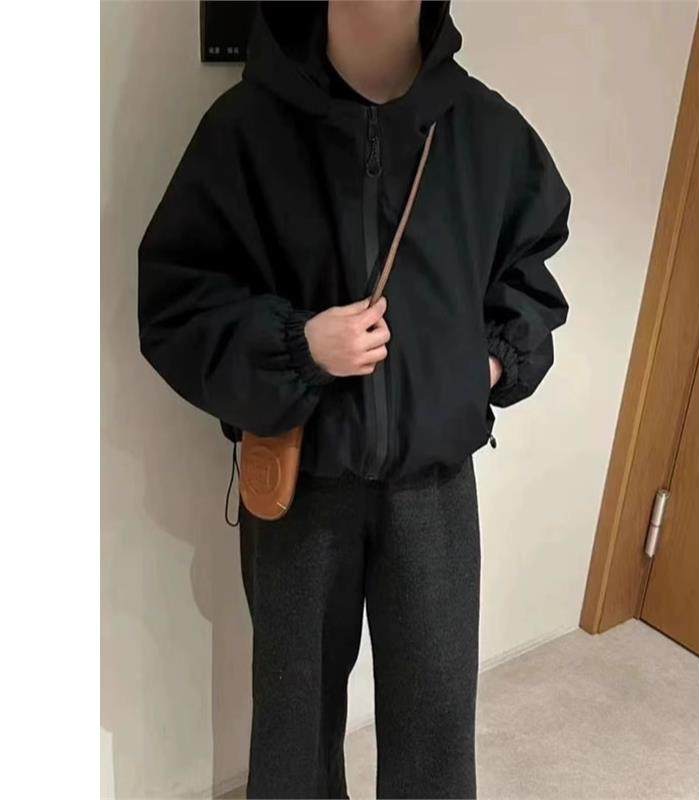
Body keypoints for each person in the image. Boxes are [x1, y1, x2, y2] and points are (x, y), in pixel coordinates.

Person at [138, 1, 570, 797]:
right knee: (293, 733)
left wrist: (486, 368)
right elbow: (177, 302)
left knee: (435, 727)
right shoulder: (245, 131)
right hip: (300, 480)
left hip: (433, 488)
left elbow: (530, 279)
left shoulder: (486, 132)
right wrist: (297, 346)